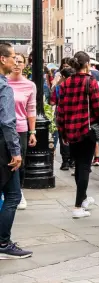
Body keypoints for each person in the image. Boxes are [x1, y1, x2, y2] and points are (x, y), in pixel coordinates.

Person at [55, 52, 99, 219]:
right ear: (87, 64)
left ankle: (83, 199)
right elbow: (98, 108)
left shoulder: (66, 83)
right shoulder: (90, 82)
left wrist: (62, 130)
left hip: (70, 130)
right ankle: (77, 206)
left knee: (78, 165)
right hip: (86, 130)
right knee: (84, 167)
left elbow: (60, 110)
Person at [0, 43, 30, 259]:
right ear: (3, 59)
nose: (15, 61)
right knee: (13, 195)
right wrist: (16, 151)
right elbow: (8, 122)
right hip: (3, 148)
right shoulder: (4, 87)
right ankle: (3, 243)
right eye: (12, 58)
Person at [7, 54, 35, 209]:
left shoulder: (30, 85)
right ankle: (9, 191)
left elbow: (31, 109)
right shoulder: (4, 82)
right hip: (5, 128)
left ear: (25, 65)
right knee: (6, 160)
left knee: (20, 162)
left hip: (21, 128)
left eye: (20, 62)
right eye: (15, 61)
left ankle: (19, 191)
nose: (17, 64)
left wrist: (33, 132)